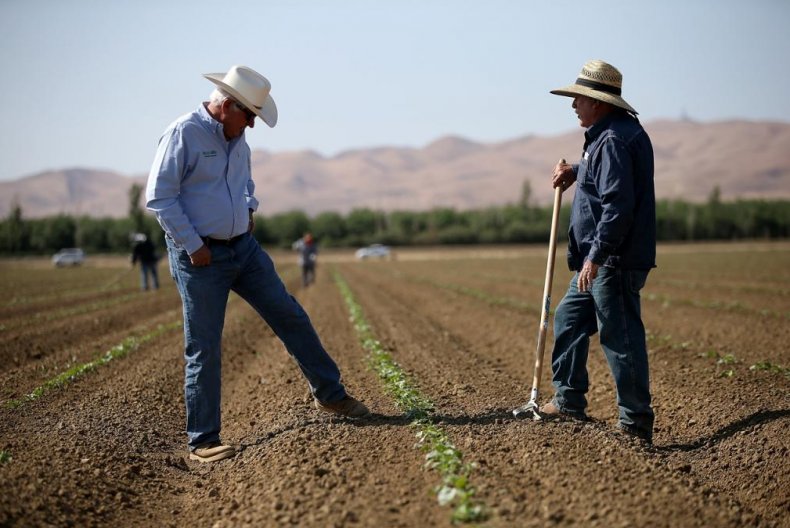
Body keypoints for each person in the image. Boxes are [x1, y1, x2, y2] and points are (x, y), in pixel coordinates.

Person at [146, 65, 369, 463]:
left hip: (243, 249)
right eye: (249, 115)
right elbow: (161, 197)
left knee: (290, 314)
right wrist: (194, 245)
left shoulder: (238, 141)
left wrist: (248, 210)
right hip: (201, 257)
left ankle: (331, 396)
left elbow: (246, 185)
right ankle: (203, 441)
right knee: (205, 344)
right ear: (228, 105)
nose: (251, 124)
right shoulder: (184, 133)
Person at [540, 60, 656, 444]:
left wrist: (596, 256)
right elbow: (604, 178)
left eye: (579, 99)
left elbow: (617, 205)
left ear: (600, 103)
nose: (574, 105)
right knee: (569, 319)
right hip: (600, 259)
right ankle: (569, 400)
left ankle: (635, 421)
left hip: (612, 260)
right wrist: (576, 170)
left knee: (620, 338)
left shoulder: (615, 139)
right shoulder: (606, 137)